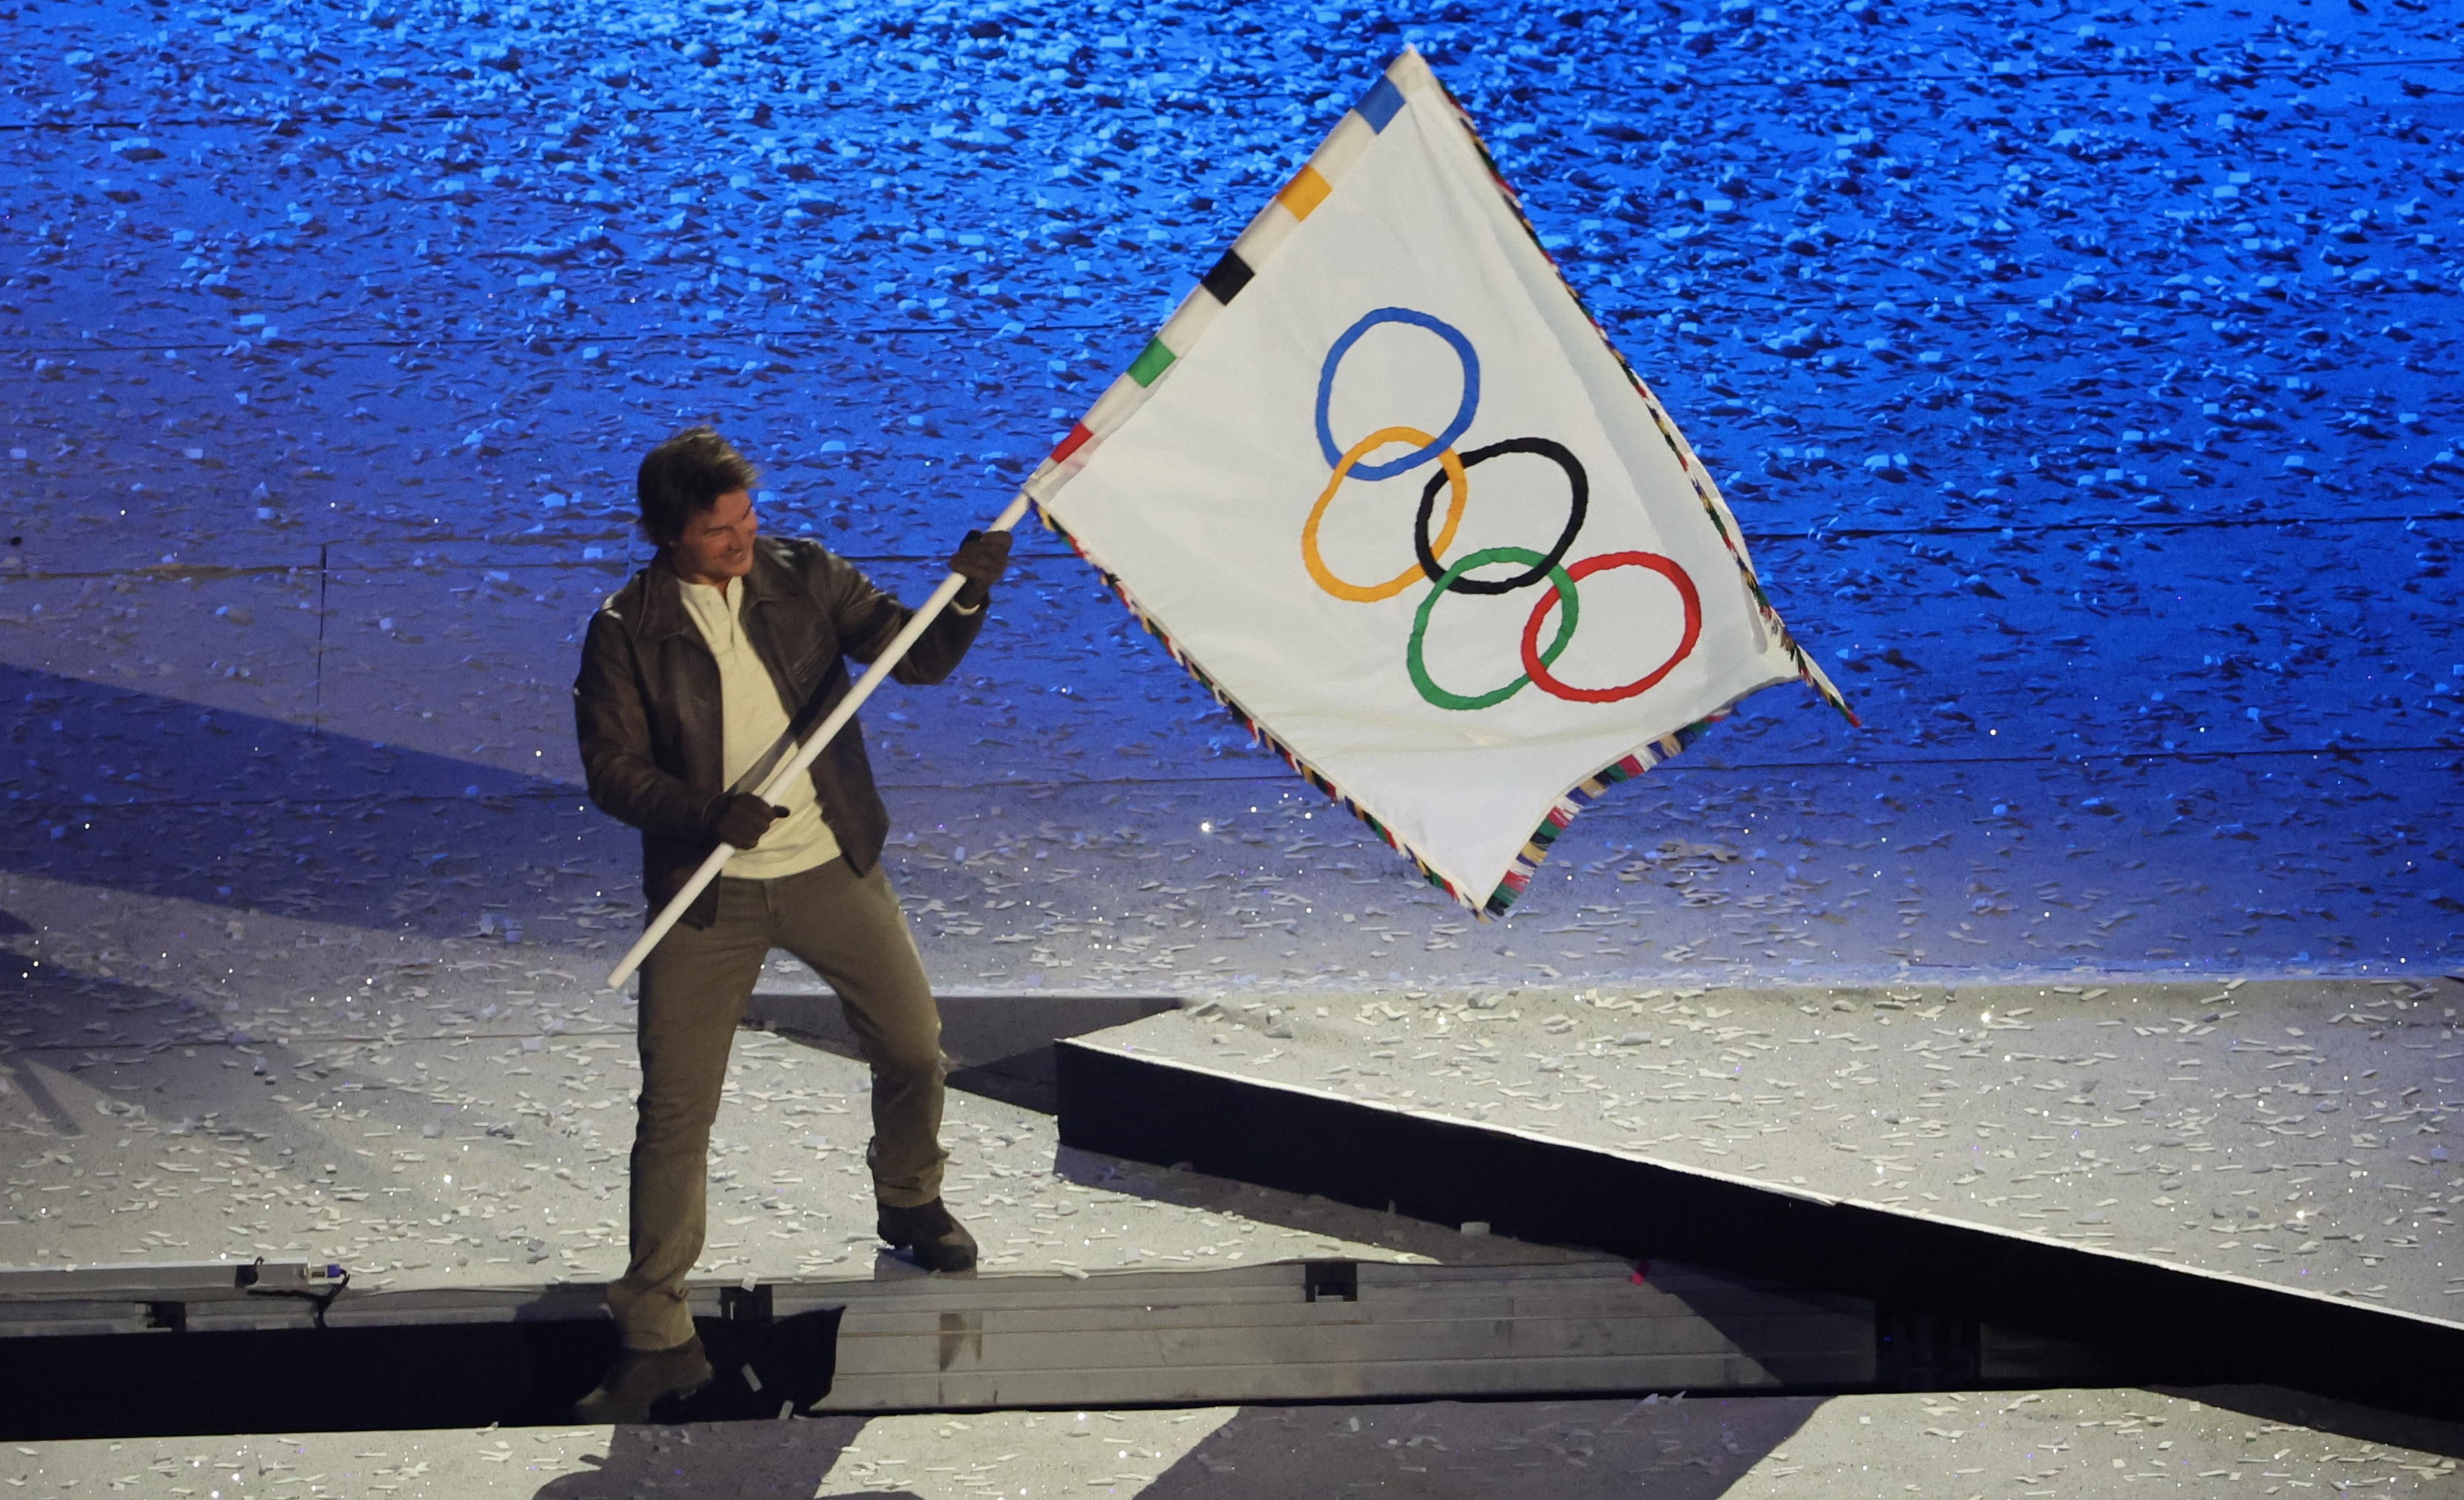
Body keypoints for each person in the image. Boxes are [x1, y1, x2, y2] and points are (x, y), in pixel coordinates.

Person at [569, 425, 1011, 1423]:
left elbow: (920, 655)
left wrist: (970, 590)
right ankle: (656, 1334)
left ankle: (908, 1193)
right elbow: (614, 771)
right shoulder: (625, 628)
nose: (741, 539)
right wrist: (702, 811)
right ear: (665, 532)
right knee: (675, 1111)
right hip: (708, 891)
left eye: (746, 519)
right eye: (718, 529)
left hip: (826, 864)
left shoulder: (803, 574)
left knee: (914, 1046)